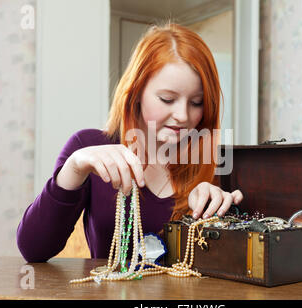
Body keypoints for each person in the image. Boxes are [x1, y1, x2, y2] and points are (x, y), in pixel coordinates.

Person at [17, 22, 243, 263]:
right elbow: (33, 249)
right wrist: (73, 169)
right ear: (136, 92)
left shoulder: (219, 162)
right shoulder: (88, 145)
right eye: (167, 99)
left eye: (196, 103)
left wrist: (223, 215)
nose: (183, 116)